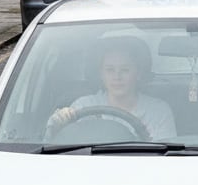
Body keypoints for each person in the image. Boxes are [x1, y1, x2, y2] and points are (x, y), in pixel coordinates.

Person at [44, 36, 176, 141]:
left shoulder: (158, 111)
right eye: (110, 70)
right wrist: (59, 122)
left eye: (125, 70)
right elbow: (55, 140)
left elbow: (166, 159)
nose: (117, 76)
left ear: (139, 73)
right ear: (101, 74)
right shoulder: (83, 106)